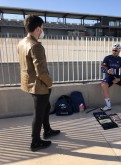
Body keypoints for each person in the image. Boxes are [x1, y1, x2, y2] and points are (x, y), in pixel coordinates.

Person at [17, 15, 60, 151]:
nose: (42, 31)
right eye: (42, 28)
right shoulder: (36, 46)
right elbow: (41, 72)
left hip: (28, 83)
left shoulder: (22, 42)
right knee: (39, 113)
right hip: (39, 85)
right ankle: (35, 142)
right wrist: (50, 83)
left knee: (46, 107)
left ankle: (47, 130)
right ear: (37, 29)